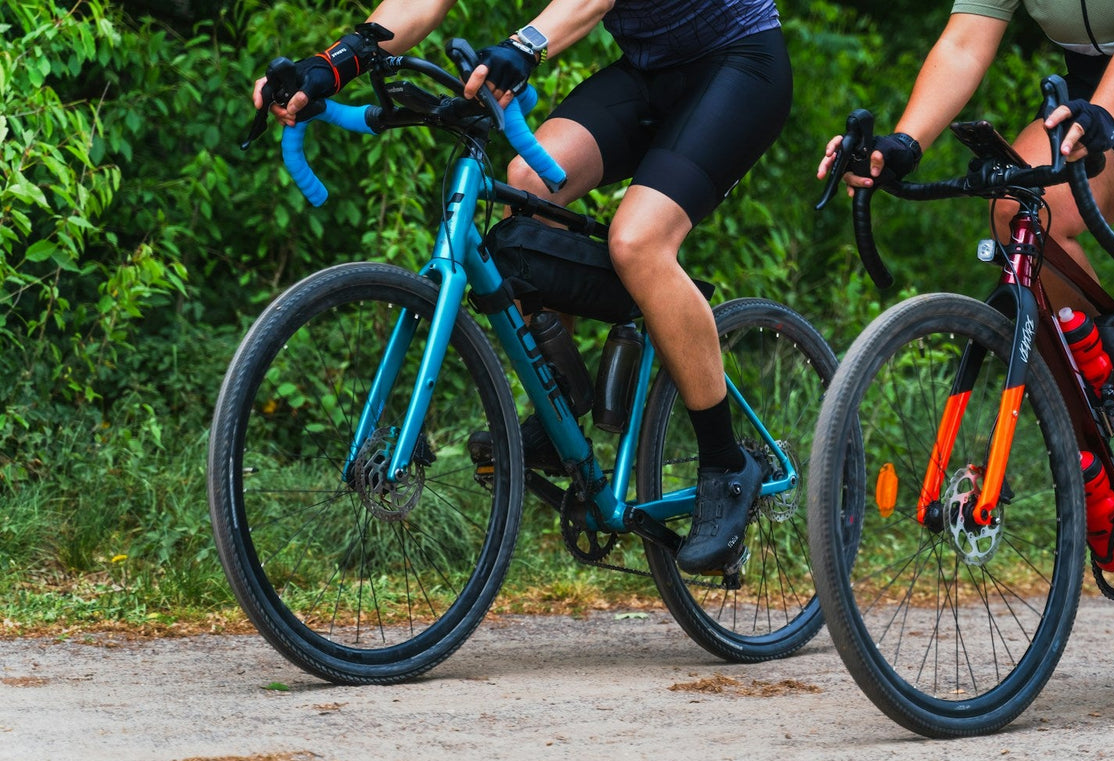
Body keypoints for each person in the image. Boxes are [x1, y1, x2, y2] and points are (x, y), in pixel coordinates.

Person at [817, 0, 1114, 649]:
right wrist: (902, 145)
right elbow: (966, 40)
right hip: (1098, 103)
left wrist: (1102, 113)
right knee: (1018, 212)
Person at [253, 0, 793, 576]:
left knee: (637, 241)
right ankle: (568, 400)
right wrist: (333, 64)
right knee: (529, 181)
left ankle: (725, 463)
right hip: (650, 71)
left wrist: (526, 45)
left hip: (740, 64)